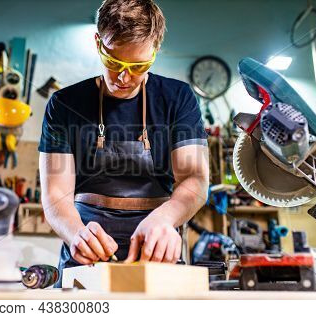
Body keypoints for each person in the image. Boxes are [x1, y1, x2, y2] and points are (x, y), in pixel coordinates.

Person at [38, 0, 209, 287]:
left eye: (139, 65)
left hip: (157, 248)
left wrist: (165, 219)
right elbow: (56, 193)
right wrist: (76, 234)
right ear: (98, 43)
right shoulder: (64, 104)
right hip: (86, 251)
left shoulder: (178, 98)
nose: (124, 77)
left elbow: (194, 179)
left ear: (155, 51)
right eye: (114, 62)